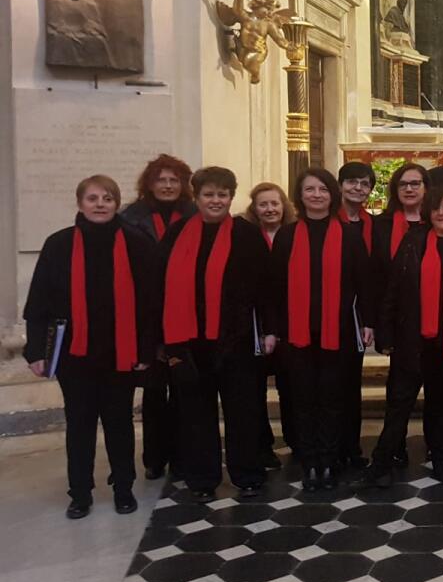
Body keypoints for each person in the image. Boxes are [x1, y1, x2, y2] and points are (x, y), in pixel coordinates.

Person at [23, 176, 157, 519]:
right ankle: (80, 492)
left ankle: (123, 488)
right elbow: (39, 301)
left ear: (116, 203)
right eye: (93, 198)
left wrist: (145, 350)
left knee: (119, 423)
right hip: (74, 354)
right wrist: (36, 351)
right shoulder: (59, 244)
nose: (100, 204)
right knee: (79, 424)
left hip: (120, 352)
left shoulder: (135, 243)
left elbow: (149, 303)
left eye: (108, 198)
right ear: (80, 203)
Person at [161, 167, 271, 501]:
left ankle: (248, 474)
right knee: (196, 414)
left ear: (231, 198)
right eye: (209, 194)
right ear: (196, 197)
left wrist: (270, 330)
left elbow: (267, 288)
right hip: (190, 341)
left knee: (243, 410)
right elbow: (159, 288)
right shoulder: (176, 234)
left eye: (222, 194)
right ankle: (202, 479)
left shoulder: (246, 234)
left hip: (235, 339)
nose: (216, 200)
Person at [265, 168, 374, 492]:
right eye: (309, 189)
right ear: (300, 195)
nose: (316, 195)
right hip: (296, 333)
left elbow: (363, 282)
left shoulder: (350, 235)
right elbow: (273, 287)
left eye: (322, 189)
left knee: (332, 398)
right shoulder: (287, 235)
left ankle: (328, 461)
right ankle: (309, 461)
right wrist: (272, 329)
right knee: (303, 399)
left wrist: (367, 322)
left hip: (337, 331)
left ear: (332, 194)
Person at [373, 187, 443, 484]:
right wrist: (385, 333)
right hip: (412, 338)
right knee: (399, 404)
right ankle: (381, 463)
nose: (441, 213)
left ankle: (442, 460)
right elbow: (393, 289)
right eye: (436, 208)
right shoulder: (415, 240)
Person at [121, 153, 197, 480]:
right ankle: (154, 457)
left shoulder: (195, 214)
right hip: (148, 315)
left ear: (183, 185)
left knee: (185, 392)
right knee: (153, 393)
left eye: (174, 180)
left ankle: (183, 456)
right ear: (150, 184)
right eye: (161, 180)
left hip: (186, 312)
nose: (167, 185)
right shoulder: (131, 218)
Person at [366, 163, 428, 469]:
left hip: (432, 318)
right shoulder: (383, 224)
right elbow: (376, 276)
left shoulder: (437, 221)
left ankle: (436, 444)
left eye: (416, 183)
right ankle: (394, 445)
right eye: (403, 184)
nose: (410, 189)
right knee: (399, 391)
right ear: (395, 189)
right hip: (399, 319)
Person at [243, 182, 295, 467]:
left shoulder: (294, 233)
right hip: (256, 323)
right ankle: (263, 446)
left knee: (290, 387)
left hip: (289, 321)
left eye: (274, 203)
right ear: (254, 208)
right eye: (263, 204)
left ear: (283, 205)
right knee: (255, 388)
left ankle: (295, 438)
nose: (270, 209)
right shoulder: (247, 237)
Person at [336, 161, 377, 471]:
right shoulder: (327, 221)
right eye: (352, 182)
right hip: (327, 311)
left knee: (349, 386)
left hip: (355, 315)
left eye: (364, 184)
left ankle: (350, 445)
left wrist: (368, 319)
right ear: (340, 185)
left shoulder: (372, 224)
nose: (358, 189)